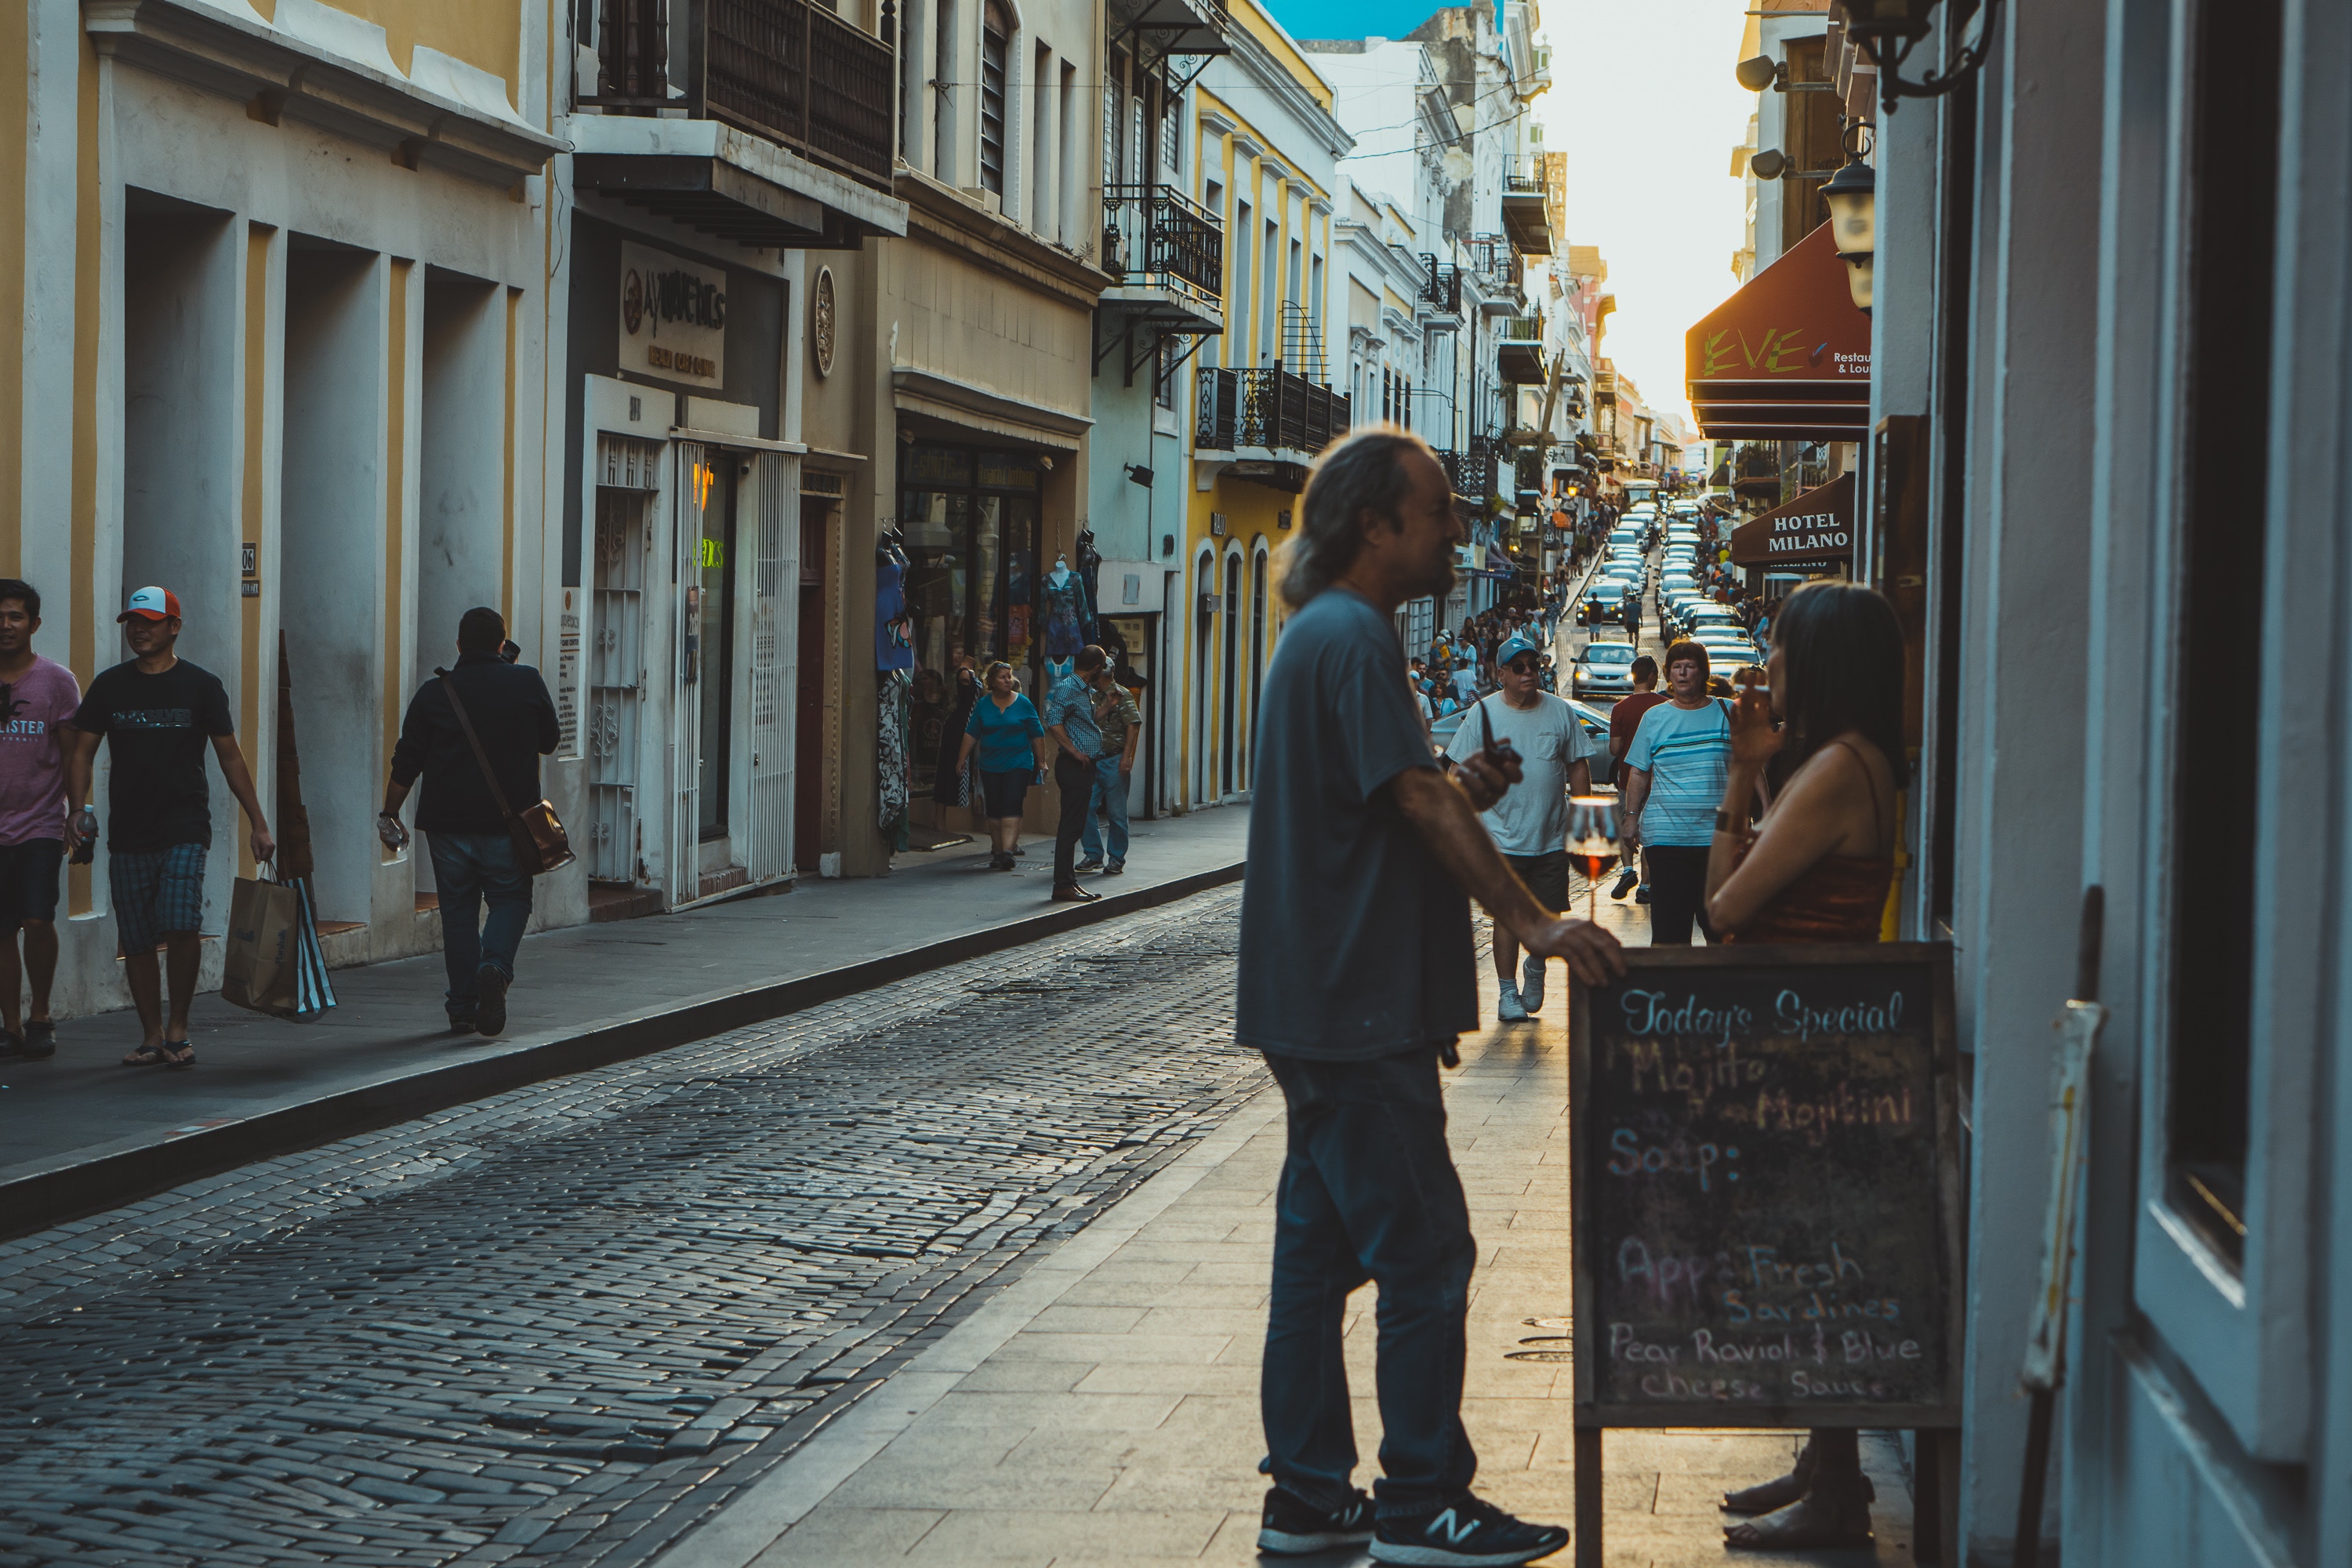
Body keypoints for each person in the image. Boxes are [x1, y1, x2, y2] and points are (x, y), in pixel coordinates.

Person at [1240, 426, 1622, 1567]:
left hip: (1316, 1006)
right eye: (1441, 508)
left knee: (1313, 1263)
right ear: (1377, 525)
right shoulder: (1355, 636)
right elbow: (1412, 800)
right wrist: (1535, 921)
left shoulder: (1326, 635)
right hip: (1356, 1011)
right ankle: (1423, 1503)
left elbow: (1397, 800)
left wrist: (1466, 785)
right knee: (1426, 1255)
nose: (1460, 527)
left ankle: (1307, 1499)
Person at [1702, 582, 1905, 1552]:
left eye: (1778, 651)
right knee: (1812, 1263)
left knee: (1819, 1272)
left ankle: (1837, 1495)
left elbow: (1724, 909)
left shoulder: (1834, 770)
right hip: (1808, 1039)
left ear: (1816, 663)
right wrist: (1749, 772)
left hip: (1812, 1052)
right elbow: (1724, 897)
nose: (1765, 666)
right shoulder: (1839, 763)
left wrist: (1745, 781)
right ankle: (1828, 1467)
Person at [63, 587, 275, 1069]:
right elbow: (81, 750)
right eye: (133, 622)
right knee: (136, 935)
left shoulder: (201, 686)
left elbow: (229, 755)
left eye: (151, 622)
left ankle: (179, 1028)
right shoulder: (111, 685)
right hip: (129, 831)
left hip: (185, 825)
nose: (139, 630)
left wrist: (258, 822)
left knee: (181, 923)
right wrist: (77, 808)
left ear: (174, 627)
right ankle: (150, 1035)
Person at [379, 608, 561, 1037]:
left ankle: (463, 1006)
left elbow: (407, 761)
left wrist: (390, 811)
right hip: (508, 823)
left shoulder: (433, 693)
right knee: (512, 900)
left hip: (447, 826)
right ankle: (494, 967)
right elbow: (550, 742)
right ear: (502, 644)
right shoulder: (527, 681)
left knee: (458, 913)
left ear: (459, 645)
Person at [1444, 633, 1600, 1024]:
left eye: (1534, 665)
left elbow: (1578, 766)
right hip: (1499, 838)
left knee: (1549, 917)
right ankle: (1507, 992)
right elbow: (1455, 771)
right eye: (1520, 667)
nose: (1529, 672)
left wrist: (1581, 821)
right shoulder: (1483, 715)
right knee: (1508, 916)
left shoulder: (1560, 711)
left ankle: (1536, 966)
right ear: (1502, 675)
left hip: (1550, 836)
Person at [0, 579, 78, 1061]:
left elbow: (73, 756)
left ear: (34, 623)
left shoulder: (56, 681)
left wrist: (77, 812)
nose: (5, 626)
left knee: (37, 917)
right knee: (2, 927)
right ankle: (10, 1025)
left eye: (14, 617)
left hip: (41, 823)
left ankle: (42, 1014)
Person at [1618, 641, 1730, 946]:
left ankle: (1720, 992)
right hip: (1666, 836)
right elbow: (1638, 772)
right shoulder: (1654, 718)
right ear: (1668, 674)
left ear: (1703, 672)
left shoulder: (1727, 711)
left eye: (1690, 666)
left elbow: (1748, 764)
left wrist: (1765, 806)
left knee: (1720, 928)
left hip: (1718, 839)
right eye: (1677, 667)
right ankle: (1672, 992)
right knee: (1670, 930)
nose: (1683, 673)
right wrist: (1630, 817)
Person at [956, 661, 1045, 871]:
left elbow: (1037, 733)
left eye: (1009, 676)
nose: (1008, 680)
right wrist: (961, 759)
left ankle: (1007, 852)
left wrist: (1041, 761)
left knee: (1012, 804)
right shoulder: (984, 705)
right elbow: (971, 733)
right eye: (1002, 677)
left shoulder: (1023, 703)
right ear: (992, 682)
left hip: (1019, 762)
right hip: (990, 764)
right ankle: (997, 851)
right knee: (994, 808)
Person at [1040, 645, 1108, 903]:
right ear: (1096, 668)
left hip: (1083, 766)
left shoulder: (1082, 690)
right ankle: (1062, 884)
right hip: (1073, 765)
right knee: (1070, 826)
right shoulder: (1070, 687)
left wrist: (1108, 705)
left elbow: (1083, 723)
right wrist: (1074, 751)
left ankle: (1069, 882)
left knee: (1076, 825)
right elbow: (1053, 720)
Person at [1607, 655, 1666, 906]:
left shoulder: (1620, 708)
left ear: (1633, 677)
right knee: (1649, 832)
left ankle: (1627, 870)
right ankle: (1646, 885)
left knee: (1626, 824)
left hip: (1626, 778)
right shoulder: (1664, 705)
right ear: (1652, 676)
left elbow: (1614, 748)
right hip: (1657, 779)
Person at [1074, 662, 1142, 876]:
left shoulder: (1121, 695)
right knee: (1085, 807)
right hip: (1094, 759)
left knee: (1116, 812)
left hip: (1114, 759)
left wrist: (1127, 756)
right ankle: (1093, 854)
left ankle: (1116, 858)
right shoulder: (1093, 695)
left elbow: (1133, 724)